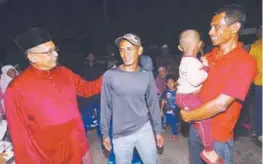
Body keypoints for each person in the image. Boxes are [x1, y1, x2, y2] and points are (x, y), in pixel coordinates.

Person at [4, 27, 102, 164]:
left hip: (76, 144)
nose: (55, 55)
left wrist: (111, 77)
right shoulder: (16, 88)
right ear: (32, 57)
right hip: (48, 155)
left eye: (55, 49)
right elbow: (19, 134)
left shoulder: (64, 72)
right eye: (49, 52)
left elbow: (87, 89)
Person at [180, 5, 257, 164]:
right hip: (196, 129)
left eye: (216, 27)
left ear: (234, 27)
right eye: (210, 27)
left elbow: (221, 104)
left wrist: (189, 115)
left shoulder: (245, 62)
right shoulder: (210, 56)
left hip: (217, 138)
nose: (210, 32)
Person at [100, 33, 164, 164]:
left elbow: (153, 105)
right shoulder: (110, 75)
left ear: (139, 50)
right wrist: (105, 133)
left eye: (129, 49)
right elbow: (105, 106)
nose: (125, 54)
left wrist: (158, 130)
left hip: (144, 128)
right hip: (120, 134)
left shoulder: (146, 76)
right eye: (122, 50)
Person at [175, 29, 222, 163]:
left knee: (199, 118)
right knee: (203, 118)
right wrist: (206, 68)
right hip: (186, 97)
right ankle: (208, 150)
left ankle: (204, 143)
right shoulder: (190, 62)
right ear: (199, 45)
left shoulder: (188, 60)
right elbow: (196, 80)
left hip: (188, 96)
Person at [249, 26, 262, 143]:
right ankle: (260, 132)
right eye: (259, 30)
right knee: (259, 108)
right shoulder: (255, 46)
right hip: (259, 83)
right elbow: (251, 64)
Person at [160, 75, 179, 140]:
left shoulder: (178, 91)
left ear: (175, 82)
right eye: (168, 82)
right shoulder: (166, 91)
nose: (170, 84)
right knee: (165, 120)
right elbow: (163, 100)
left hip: (175, 111)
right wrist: (161, 110)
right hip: (167, 110)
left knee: (174, 123)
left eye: (171, 82)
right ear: (166, 84)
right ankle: (164, 125)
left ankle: (175, 134)